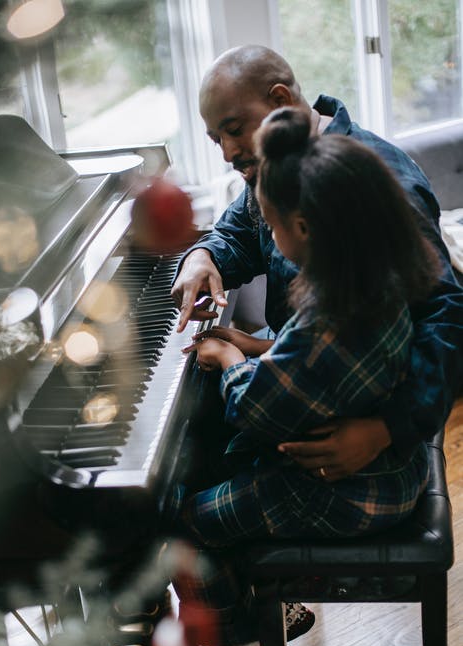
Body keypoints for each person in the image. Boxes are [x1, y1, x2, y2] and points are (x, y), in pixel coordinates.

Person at [168, 106, 441, 646]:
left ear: (301, 226)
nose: (267, 236)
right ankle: (263, 607)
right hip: (380, 469)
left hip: (353, 491)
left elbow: (255, 407)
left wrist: (229, 352)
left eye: (268, 225)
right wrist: (257, 346)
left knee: (188, 522)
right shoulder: (369, 280)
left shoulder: (325, 321)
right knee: (221, 468)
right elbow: (307, 370)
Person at [171, 44, 463, 485]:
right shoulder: (275, 163)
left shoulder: (380, 180)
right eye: (216, 139)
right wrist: (201, 255)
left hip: (360, 408)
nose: (228, 153)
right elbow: (237, 232)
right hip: (300, 363)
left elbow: (445, 315)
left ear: (280, 101)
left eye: (234, 130)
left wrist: (387, 429)